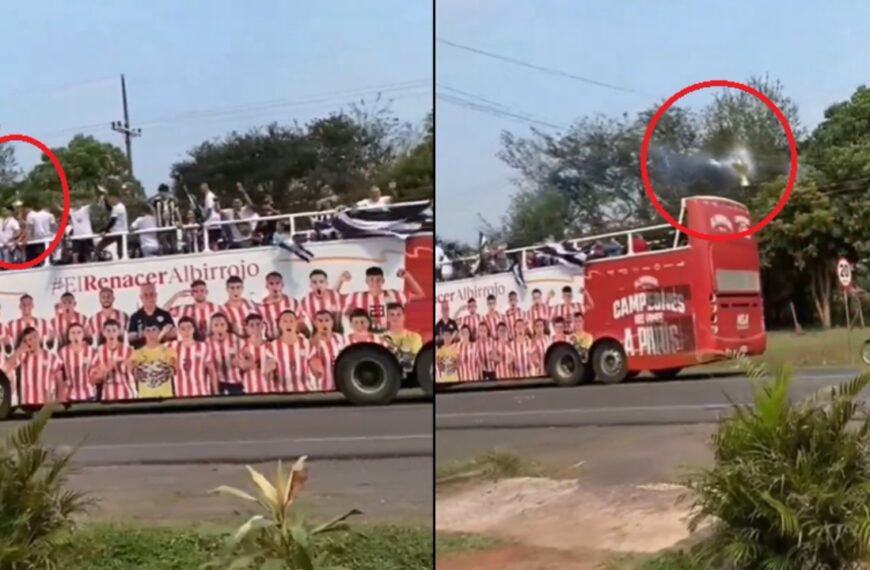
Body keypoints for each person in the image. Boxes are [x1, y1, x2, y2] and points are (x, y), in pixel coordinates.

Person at [344, 266, 425, 333]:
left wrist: (408, 277)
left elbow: (420, 294)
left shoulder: (394, 295)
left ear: (383, 281)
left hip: (390, 335)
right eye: (371, 279)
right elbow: (336, 302)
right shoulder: (357, 297)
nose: (375, 282)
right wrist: (341, 280)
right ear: (366, 281)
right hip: (367, 336)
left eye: (378, 279)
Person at [11, 326, 62, 405]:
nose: (31, 341)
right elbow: (6, 368)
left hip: (46, 404)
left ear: (38, 337)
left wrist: (60, 401)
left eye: (33, 337)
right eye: (28, 340)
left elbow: (59, 381)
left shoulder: (51, 358)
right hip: (27, 404)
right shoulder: (22, 356)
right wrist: (19, 350)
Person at [89, 319, 135, 401]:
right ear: (104, 333)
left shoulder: (128, 350)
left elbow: (135, 372)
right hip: (107, 397)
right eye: (108, 331)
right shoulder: (98, 352)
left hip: (127, 396)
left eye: (114, 330)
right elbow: (93, 379)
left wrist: (125, 364)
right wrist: (107, 369)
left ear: (119, 332)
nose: (111, 333)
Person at [129, 319, 176, 399]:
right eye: (148, 330)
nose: (151, 333)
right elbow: (133, 370)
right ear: (144, 333)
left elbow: (174, 369)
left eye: (154, 330)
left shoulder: (169, 351)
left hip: (166, 397)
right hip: (145, 399)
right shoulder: (136, 353)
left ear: (159, 331)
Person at [169, 316, 216, 397]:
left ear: (193, 329)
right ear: (179, 331)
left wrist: (216, 392)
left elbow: (212, 371)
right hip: (180, 395)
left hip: (200, 393)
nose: (186, 331)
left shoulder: (203, 347)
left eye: (189, 328)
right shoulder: (172, 345)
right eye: (182, 329)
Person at [267, 310, 311, 393]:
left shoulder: (306, 343)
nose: (288, 324)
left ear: (296, 323)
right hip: (281, 392)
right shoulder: (272, 346)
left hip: (305, 391)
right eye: (285, 321)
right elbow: (268, 371)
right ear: (279, 324)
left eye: (291, 321)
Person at [237, 314, 278, 394]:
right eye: (252, 325)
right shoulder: (243, 347)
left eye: (258, 324)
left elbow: (275, 367)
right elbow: (241, 367)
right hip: (249, 391)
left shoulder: (271, 346)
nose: (255, 328)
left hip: (269, 390)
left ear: (262, 326)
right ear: (246, 328)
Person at [260, 271, 307, 339]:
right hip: (271, 342)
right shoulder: (261, 306)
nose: (274, 286)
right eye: (271, 283)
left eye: (277, 283)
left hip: (291, 341)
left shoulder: (292, 303)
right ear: (267, 286)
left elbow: (301, 323)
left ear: (282, 284)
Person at [307, 310, 345, 392]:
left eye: (327, 320)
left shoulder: (340, 338)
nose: (324, 323)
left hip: (341, 384)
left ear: (332, 322)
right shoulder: (311, 343)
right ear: (315, 323)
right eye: (320, 321)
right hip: (321, 387)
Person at [128, 282, 175, 348]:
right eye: (146, 295)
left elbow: (173, 336)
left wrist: (142, 336)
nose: (149, 297)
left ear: (156, 295)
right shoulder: (134, 317)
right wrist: (162, 333)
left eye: (151, 294)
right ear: (141, 297)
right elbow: (131, 341)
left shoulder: (165, 315)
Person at [207, 312, 243, 395]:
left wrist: (240, 361)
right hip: (218, 383)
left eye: (222, 324)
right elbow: (210, 369)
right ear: (211, 328)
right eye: (216, 325)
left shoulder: (235, 339)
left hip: (236, 381)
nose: (219, 328)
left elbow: (246, 355)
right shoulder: (207, 343)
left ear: (227, 326)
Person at [58, 323, 95, 402]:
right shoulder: (62, 352)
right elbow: (58, 371)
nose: (76, 335)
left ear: (83, 335)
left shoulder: (91, 351)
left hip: (88, 394)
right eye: (73, 333)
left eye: (79, 332)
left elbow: (96, 371)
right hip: (69, 395)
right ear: (68, 336)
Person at [382, 303, 423, 369]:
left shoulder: (414, 337)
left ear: (404, 316)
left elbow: (419, 362)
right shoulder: (380, 338)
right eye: (392, 314)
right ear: (387, 318)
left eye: (398, 314)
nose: (395, 317)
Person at [95, 189, 129, 260]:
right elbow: (110, 209)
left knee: (99, 246)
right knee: (120, 250)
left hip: (115, 232)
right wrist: (105, 200)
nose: (110, 201)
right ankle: (121, 262)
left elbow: (113, 220)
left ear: (114, 198)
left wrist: (105, 231)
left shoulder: (117, 208)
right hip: (122, 231)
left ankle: (97, 260)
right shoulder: (121, 206)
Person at [150, 183, 180, 254]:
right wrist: (156, 195)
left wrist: (180, 222)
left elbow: (177, 211)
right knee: (165, 247)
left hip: (171, 226)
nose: (162, 194)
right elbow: (148, 202)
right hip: (162, 227)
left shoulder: (172, 201)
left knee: (174, 246)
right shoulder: (157, 202)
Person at [68, 198, 95, 263]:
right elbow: (60, 209)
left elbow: (93, 203)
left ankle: (90, 268)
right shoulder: (71, 211)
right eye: (75, 201)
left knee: (88, 254)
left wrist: (94, 196)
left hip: (87, 235)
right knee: (75, 255)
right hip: (77, 236)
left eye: (78, 201)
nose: (77, 203)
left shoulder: (85, 208)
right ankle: (76, 269)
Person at [201, 182, 222, 250]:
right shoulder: (211, 195)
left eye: (202, 188)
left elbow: (209, 209)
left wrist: (204, 219)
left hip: (212, 221)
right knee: (213, 241)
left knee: (212, 241)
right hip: (215, 220)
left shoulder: (209, 196)